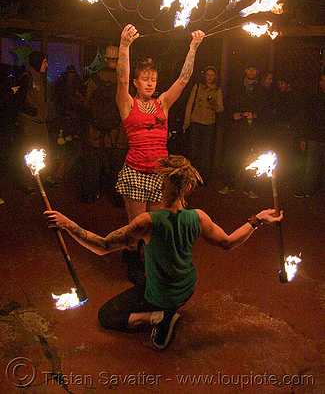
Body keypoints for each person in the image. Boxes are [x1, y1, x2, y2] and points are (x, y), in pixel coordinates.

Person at [44, 155, 283, 350]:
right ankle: (165, 307)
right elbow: (229, 242)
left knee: (106, 316)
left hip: (160, 296)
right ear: (188, 188)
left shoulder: (148, 221)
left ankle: (159, 317)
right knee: (138, 277)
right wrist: (257, 219)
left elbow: (102, 246)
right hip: (186, 288)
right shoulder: (198, 217)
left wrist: (67, 224)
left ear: (160, 185)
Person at [115, 24, 205, 284]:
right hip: (135, 172)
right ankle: (131, 258)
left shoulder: (162, 102)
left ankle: (146, 260)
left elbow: (184, 80)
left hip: (159, 174)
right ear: (136, 81)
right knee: (137, 224)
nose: (150, 82)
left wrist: (193, 47)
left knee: (154, 225)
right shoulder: (127, 103)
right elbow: (121, 78)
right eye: (145, 78)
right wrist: (124, 44)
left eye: (153, 78)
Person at [78, 46, 128, 204]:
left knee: (93, 166)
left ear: (105, 59)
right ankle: (119, 199)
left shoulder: (94, 79)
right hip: (116, 133)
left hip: (95, 132)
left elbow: (87, 104)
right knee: (117, 168)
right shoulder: (123, 80)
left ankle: (89, 196)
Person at [218, 65, 264, 198]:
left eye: (254, 69)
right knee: (232, 156)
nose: (251, 71)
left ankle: (249, 187)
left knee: (251, 157)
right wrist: (234, 114)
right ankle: (229, 184)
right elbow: (229, 105)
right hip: (237, 128)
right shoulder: (237, 87)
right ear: (245, 70)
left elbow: (266, 111)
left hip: (252, 130)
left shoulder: (261, 90)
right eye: (249, 69)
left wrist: (254, 115)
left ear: (257, 71)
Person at [15, 51, 56, 193]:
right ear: (37, 62)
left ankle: (43, 177)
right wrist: (30, 110)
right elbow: (18, 99)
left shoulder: (39, 78)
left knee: (44, 149)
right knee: (29, 152)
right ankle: (27, 182)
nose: (47, 65)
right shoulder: (27, 78)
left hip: (40, 122)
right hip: (29, 122)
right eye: (44, 62)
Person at [182, 66, 224, 183]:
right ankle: (192, 176)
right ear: (204, 76)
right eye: (208, 75)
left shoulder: (217, 90)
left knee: (206, 152)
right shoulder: (197, 87)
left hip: (209, 123)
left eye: (212, 75)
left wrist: (214, 103)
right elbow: (190, 104)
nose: (210, 78)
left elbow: (220, 108)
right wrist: (186, 121)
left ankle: (203, 177)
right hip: (196, 121)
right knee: (194, 150)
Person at [294, 72, 325, 198]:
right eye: (322, 80)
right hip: (315, 136)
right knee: (311, 165)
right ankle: (307, 189)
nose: (323, 83)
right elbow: (308, 119)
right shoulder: (314, 99)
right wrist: (304, 138)